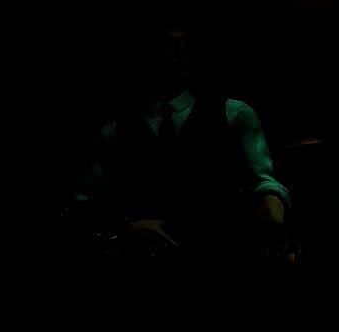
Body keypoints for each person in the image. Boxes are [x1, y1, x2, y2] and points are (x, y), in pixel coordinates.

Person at [70, 26, 292, 263]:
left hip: (219, 254)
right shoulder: (114, 133)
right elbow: (80, 209)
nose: (182, 51)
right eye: (170, 45)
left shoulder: (234, 114)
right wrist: (123, 229)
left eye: (187, 45)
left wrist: (273, 221)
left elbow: (263, 182)